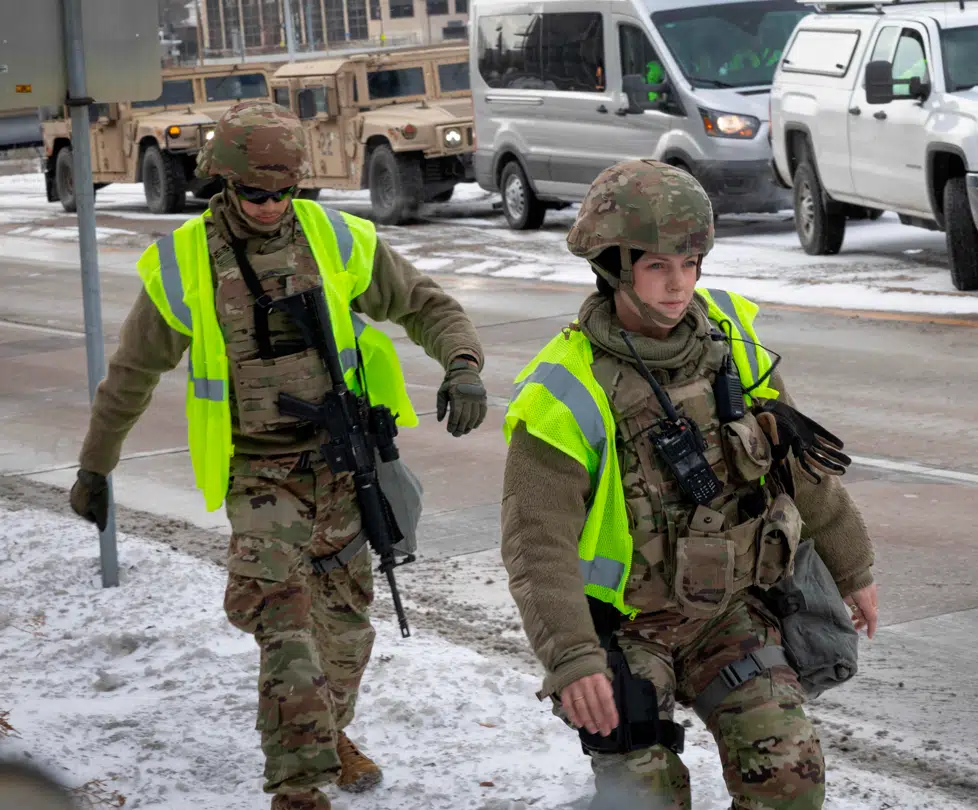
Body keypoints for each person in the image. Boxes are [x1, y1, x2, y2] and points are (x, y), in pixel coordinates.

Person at [66, 100, 489, 810]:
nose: (269, 206)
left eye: (282, 192)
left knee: (346, 636)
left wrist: (464, 364)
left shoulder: (335, 239)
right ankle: (297, 791)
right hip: (260, 474)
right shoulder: (185, 264)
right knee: (287, 633)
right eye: (253, 193)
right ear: (222, 183)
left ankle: (328, 733)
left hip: (343, 466)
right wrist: (94, 465)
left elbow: (426, 303)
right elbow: (131, 375)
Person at [500, 159, 880, 810]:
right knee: (645, 797)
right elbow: (537, 547)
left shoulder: (729, 340)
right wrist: (572, 657)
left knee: (790, 777)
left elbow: (798, 461)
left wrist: (855, 566)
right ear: (615, 266)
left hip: (728, 615)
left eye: (691, 263)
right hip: (624, 631)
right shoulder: (566, 387)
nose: (680, 285)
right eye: (656, 266)